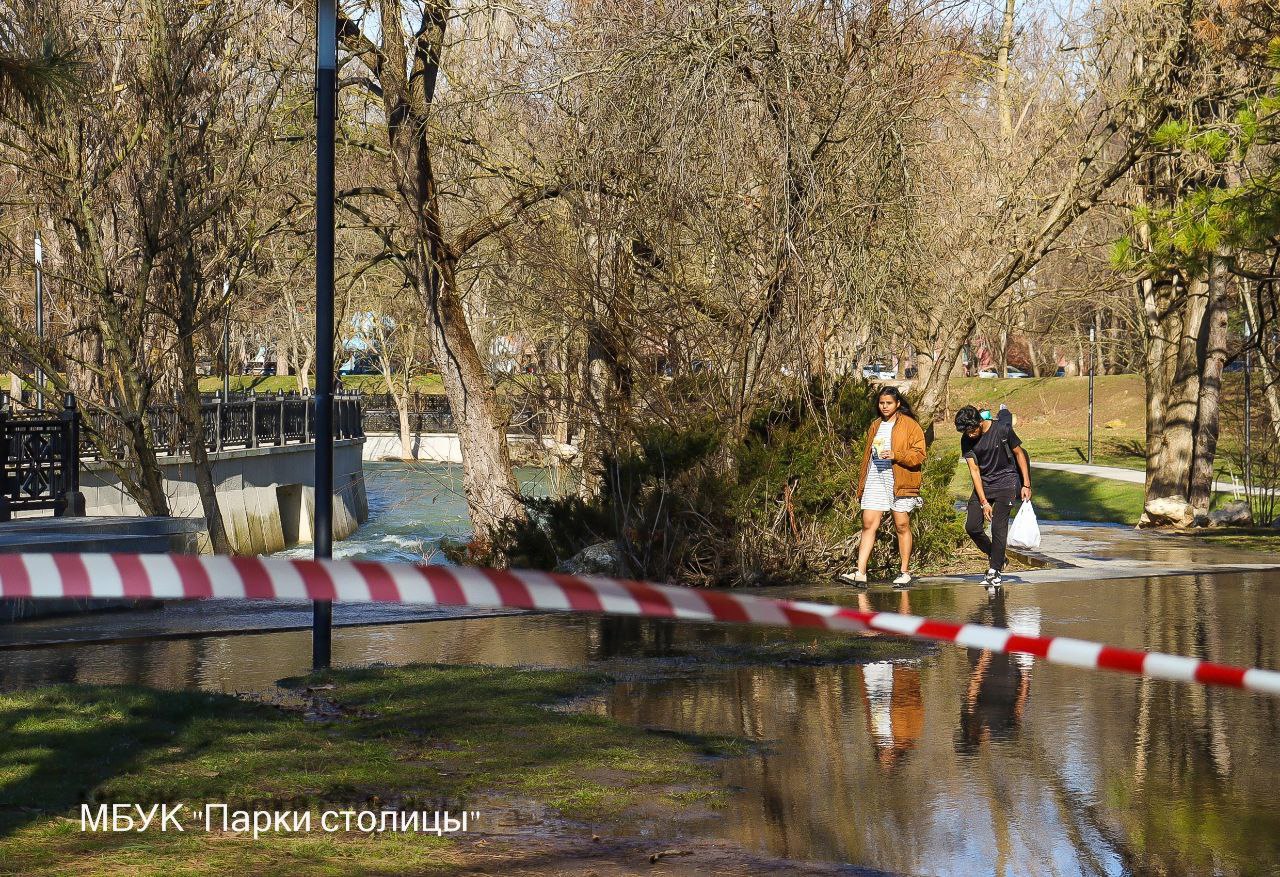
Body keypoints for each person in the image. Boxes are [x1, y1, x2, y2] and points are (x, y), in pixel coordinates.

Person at [839, 386, 926, 586]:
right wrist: (861, 483)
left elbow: (919, 455)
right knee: (868, 523)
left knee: (901, 524)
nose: (884, 407)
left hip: (899, 480)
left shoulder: (910, 425)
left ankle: (904, 572)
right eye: (881, 403)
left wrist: (896, 454)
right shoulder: (875, 425)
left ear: (898, 404)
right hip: (875, 478)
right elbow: (866, 457)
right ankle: (860, 572)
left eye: (888, 403)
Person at [954, 404, 1032, 588]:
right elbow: (974, 471)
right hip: (985, 484)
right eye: (965, 432)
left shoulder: (1002, 430)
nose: (970, 435)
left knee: (998, 526)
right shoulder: (966, 439)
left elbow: (1019, 454)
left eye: (972, 430)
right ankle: (998, 557)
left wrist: (1026, 484)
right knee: (972, 527)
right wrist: (983, 502)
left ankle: (994, 571)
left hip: (1007, 481)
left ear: (980, 422)